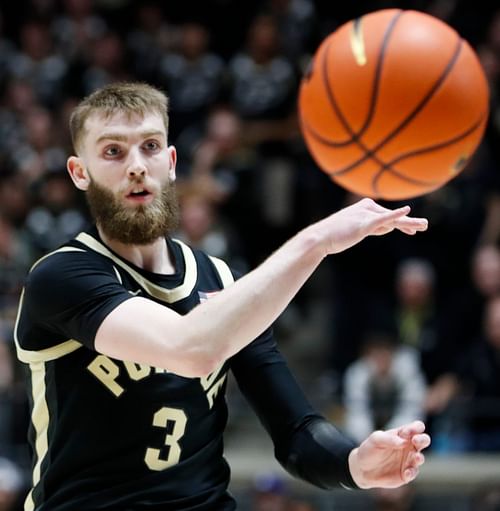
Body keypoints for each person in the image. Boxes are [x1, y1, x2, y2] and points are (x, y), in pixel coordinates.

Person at [14, 82, 430, 511]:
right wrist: (318, 240)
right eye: (113, 152)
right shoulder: (61, 276)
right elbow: (190, 347)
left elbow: (296, 430)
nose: (136, 166)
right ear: (79, 172)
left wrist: (357, 465)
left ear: (171, 162)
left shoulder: (218, 279)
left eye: (151, 146)